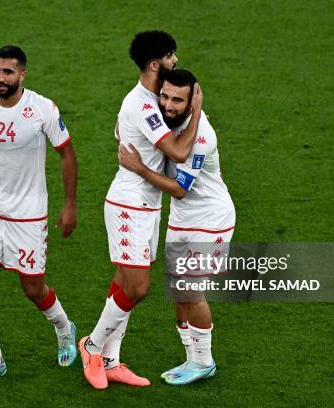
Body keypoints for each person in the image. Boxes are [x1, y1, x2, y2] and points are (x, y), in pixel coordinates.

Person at [78, 31, 203, 390]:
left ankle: (112, 362)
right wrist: (195, 110)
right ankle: (93, 346)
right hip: (128, 204)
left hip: (149, 205)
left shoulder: (151, 100)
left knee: (123, 283)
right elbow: (178, 153)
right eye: (170, 55)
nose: (175, 60)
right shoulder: (144, 105)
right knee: (138, 286)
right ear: (154, 64)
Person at [0, 45, 78, 382]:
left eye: (7, 72)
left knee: (33, 289)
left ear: (22, 74)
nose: (0, 78)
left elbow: (67, 155)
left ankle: (64, 328)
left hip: (28, 216)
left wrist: (70, 205)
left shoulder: (42, 109)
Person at [118, 69, 236, 385]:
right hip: (182, 217)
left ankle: (205, 361)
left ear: (192, 100)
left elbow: (179, 188)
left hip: (210, 218)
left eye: (177, 100)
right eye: (165, 96)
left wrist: (139, 168)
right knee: (179, 290)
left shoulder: (202, 136)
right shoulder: (161, 115)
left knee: (191, 291)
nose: (168, 105)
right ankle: (191, 358)